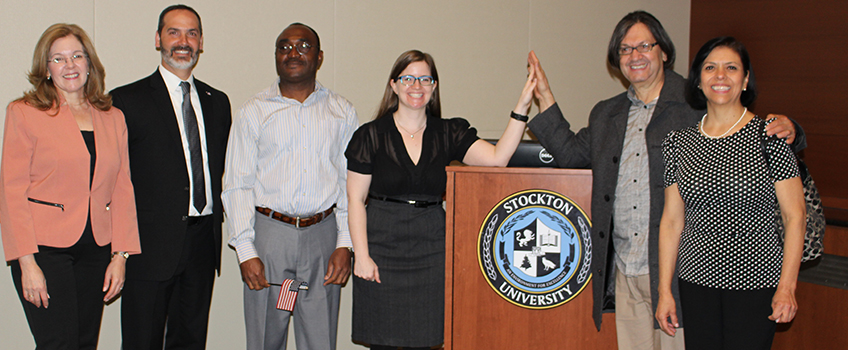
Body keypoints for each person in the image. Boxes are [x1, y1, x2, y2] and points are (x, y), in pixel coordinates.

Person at [524, 10, 803, 350]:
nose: (634, 55)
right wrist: (545, 95)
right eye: (625, 49)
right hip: (627, 270)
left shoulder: (695, 103)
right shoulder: (606, 114)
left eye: (644, 45)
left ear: (664, 52)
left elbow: (747, 129)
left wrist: (793, 131)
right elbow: (569, 153)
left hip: (679, 274)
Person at [346, 49, 534, 349]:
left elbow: (498, 159)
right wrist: (362, 256)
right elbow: (355, 200)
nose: (416, 86)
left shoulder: (449, 132)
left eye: (424, 79)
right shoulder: (369, 135)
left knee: (429, 338)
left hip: (432, 251)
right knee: (384, 341)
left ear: (434, 88)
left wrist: (522, 107)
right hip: (381, 250)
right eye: (408, 78)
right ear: (393, 85)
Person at [654, 36, 805, 350]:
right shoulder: (677, 142)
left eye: (731, 68)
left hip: (756, 283)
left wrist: (787, 287)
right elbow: (671, 221)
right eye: (710, 68)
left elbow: (795, 216)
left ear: (745, 79)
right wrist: (665, 291)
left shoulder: (770, 136)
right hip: (695, 281)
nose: (720, 76)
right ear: (698, 80)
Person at [0, 23, 140, 349]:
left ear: (90, 63)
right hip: (45, 251)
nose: (70, 65)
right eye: (58, 59)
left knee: (84, 343)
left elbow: (122, 188)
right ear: (46, 69)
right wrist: (26, 263)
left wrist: (120, 256)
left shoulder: (113, 117)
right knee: (58, 344)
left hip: (96, 249)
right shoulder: (24, 113)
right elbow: (12, 191)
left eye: (77, 56)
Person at [222, 23, 356, 350]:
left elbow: (349, 183)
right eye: (284, 47)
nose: (292, 53)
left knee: (319, 338)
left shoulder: (341, 112)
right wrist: (246, 251)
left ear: (319, 56)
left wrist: (345, 243)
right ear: (276, 57)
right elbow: (237, 185)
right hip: (271, 242)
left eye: (303, 46)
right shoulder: (254, 111)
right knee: (268, 336)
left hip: (322, 242)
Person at [109, 5, 231, 349]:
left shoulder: (217, 102)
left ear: (202, 42)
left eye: (192, 33)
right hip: (148, 246)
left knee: (190, 340)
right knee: (141, 341)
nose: (183, 41)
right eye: (174, 32)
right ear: (158, 39)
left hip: (202, 244)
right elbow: (115, 179)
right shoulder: (126, 100)